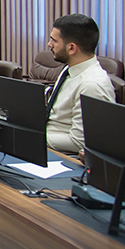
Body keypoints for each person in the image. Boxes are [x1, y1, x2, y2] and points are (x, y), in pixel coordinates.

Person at [44, 14, 116, 154]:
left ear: (71, 48)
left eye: (54, 40)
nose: (49, 44)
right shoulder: (69, 70)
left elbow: (79, 141)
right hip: (47, 142)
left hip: (61, 154)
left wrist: (35, 137)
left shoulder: (92, 85)